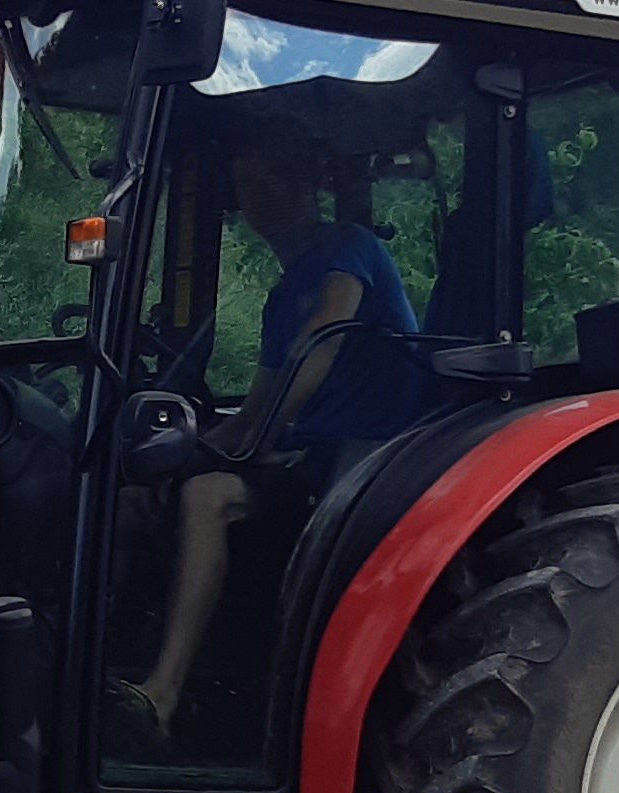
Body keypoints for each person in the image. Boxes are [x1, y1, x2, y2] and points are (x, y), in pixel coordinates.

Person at [123, 115, 419, 732]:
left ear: (306, 184)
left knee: (207, 498)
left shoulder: (347, 249)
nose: (260, 200)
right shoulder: (284, 295)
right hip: (314, 457)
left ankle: (164, 693)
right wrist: (182, 451)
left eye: (272, 183)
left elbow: (325, 336)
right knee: (160, 487)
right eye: (247, 187)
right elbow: (258, 406)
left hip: (371, 461)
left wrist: (251, 444)